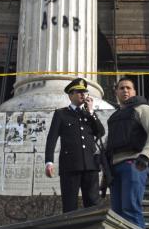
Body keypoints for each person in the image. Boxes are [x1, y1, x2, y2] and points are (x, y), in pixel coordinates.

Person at [105, 77, 149, 228]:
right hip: (114, 167)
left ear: (134, 91)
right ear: (116, 92)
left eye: (128, 88)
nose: (125, 90)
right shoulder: (114, 116)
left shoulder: (144, 109)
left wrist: (146, 155)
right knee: (117, 214)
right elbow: (109, 142)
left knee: (130, 209)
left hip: (134, 163)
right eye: (121, 88)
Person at [44, 78, 105, 213]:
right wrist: (49, 161)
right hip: (70, 166)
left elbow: (100, 132)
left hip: (90, 166)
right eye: (79, 92)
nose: (83, 95)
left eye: (84, 92)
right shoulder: (61, 114)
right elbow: (51, 139)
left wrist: (91, 112)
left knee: (93, 204)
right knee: (70, 205)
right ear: (70, 95)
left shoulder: (88, 114)